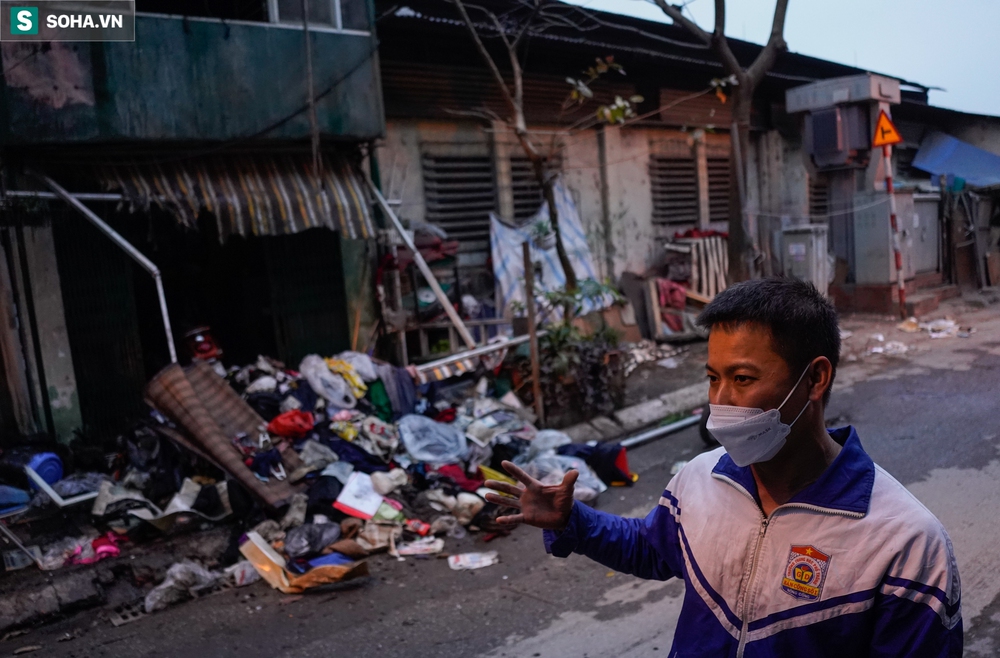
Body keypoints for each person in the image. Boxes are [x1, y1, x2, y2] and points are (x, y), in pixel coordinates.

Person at [485, 278, 962, 657]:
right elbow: (654, 549)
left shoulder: (906, 544)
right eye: (713, 378)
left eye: (743, 378)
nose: (720, 403)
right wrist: (574, 521)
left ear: (815, 378)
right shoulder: (700, 478)